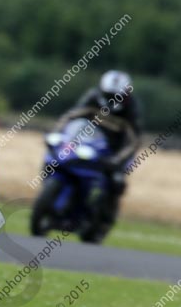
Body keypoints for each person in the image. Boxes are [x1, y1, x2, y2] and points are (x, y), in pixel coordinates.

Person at [60, 70, 141, 231]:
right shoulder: (93, 97)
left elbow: (134, 140)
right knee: (63, 162)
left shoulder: (130, 108)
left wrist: (117, 159)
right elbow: (73, 116)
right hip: (90, 144)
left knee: (116, 181)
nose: (111, 99)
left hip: (116, 151)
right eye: (108, 94)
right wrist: (60, 133)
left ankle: (105, 218)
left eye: (116, 96)